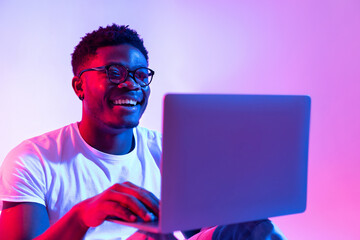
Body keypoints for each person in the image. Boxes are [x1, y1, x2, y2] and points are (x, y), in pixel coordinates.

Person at [0, 24, 286, 240]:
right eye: (114, 72)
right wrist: (83, 215)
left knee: (251, 227)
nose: (131, 84)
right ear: (79, 87)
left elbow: (198, 231)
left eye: (140, 75)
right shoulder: (32, 159)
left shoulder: (167, 153)